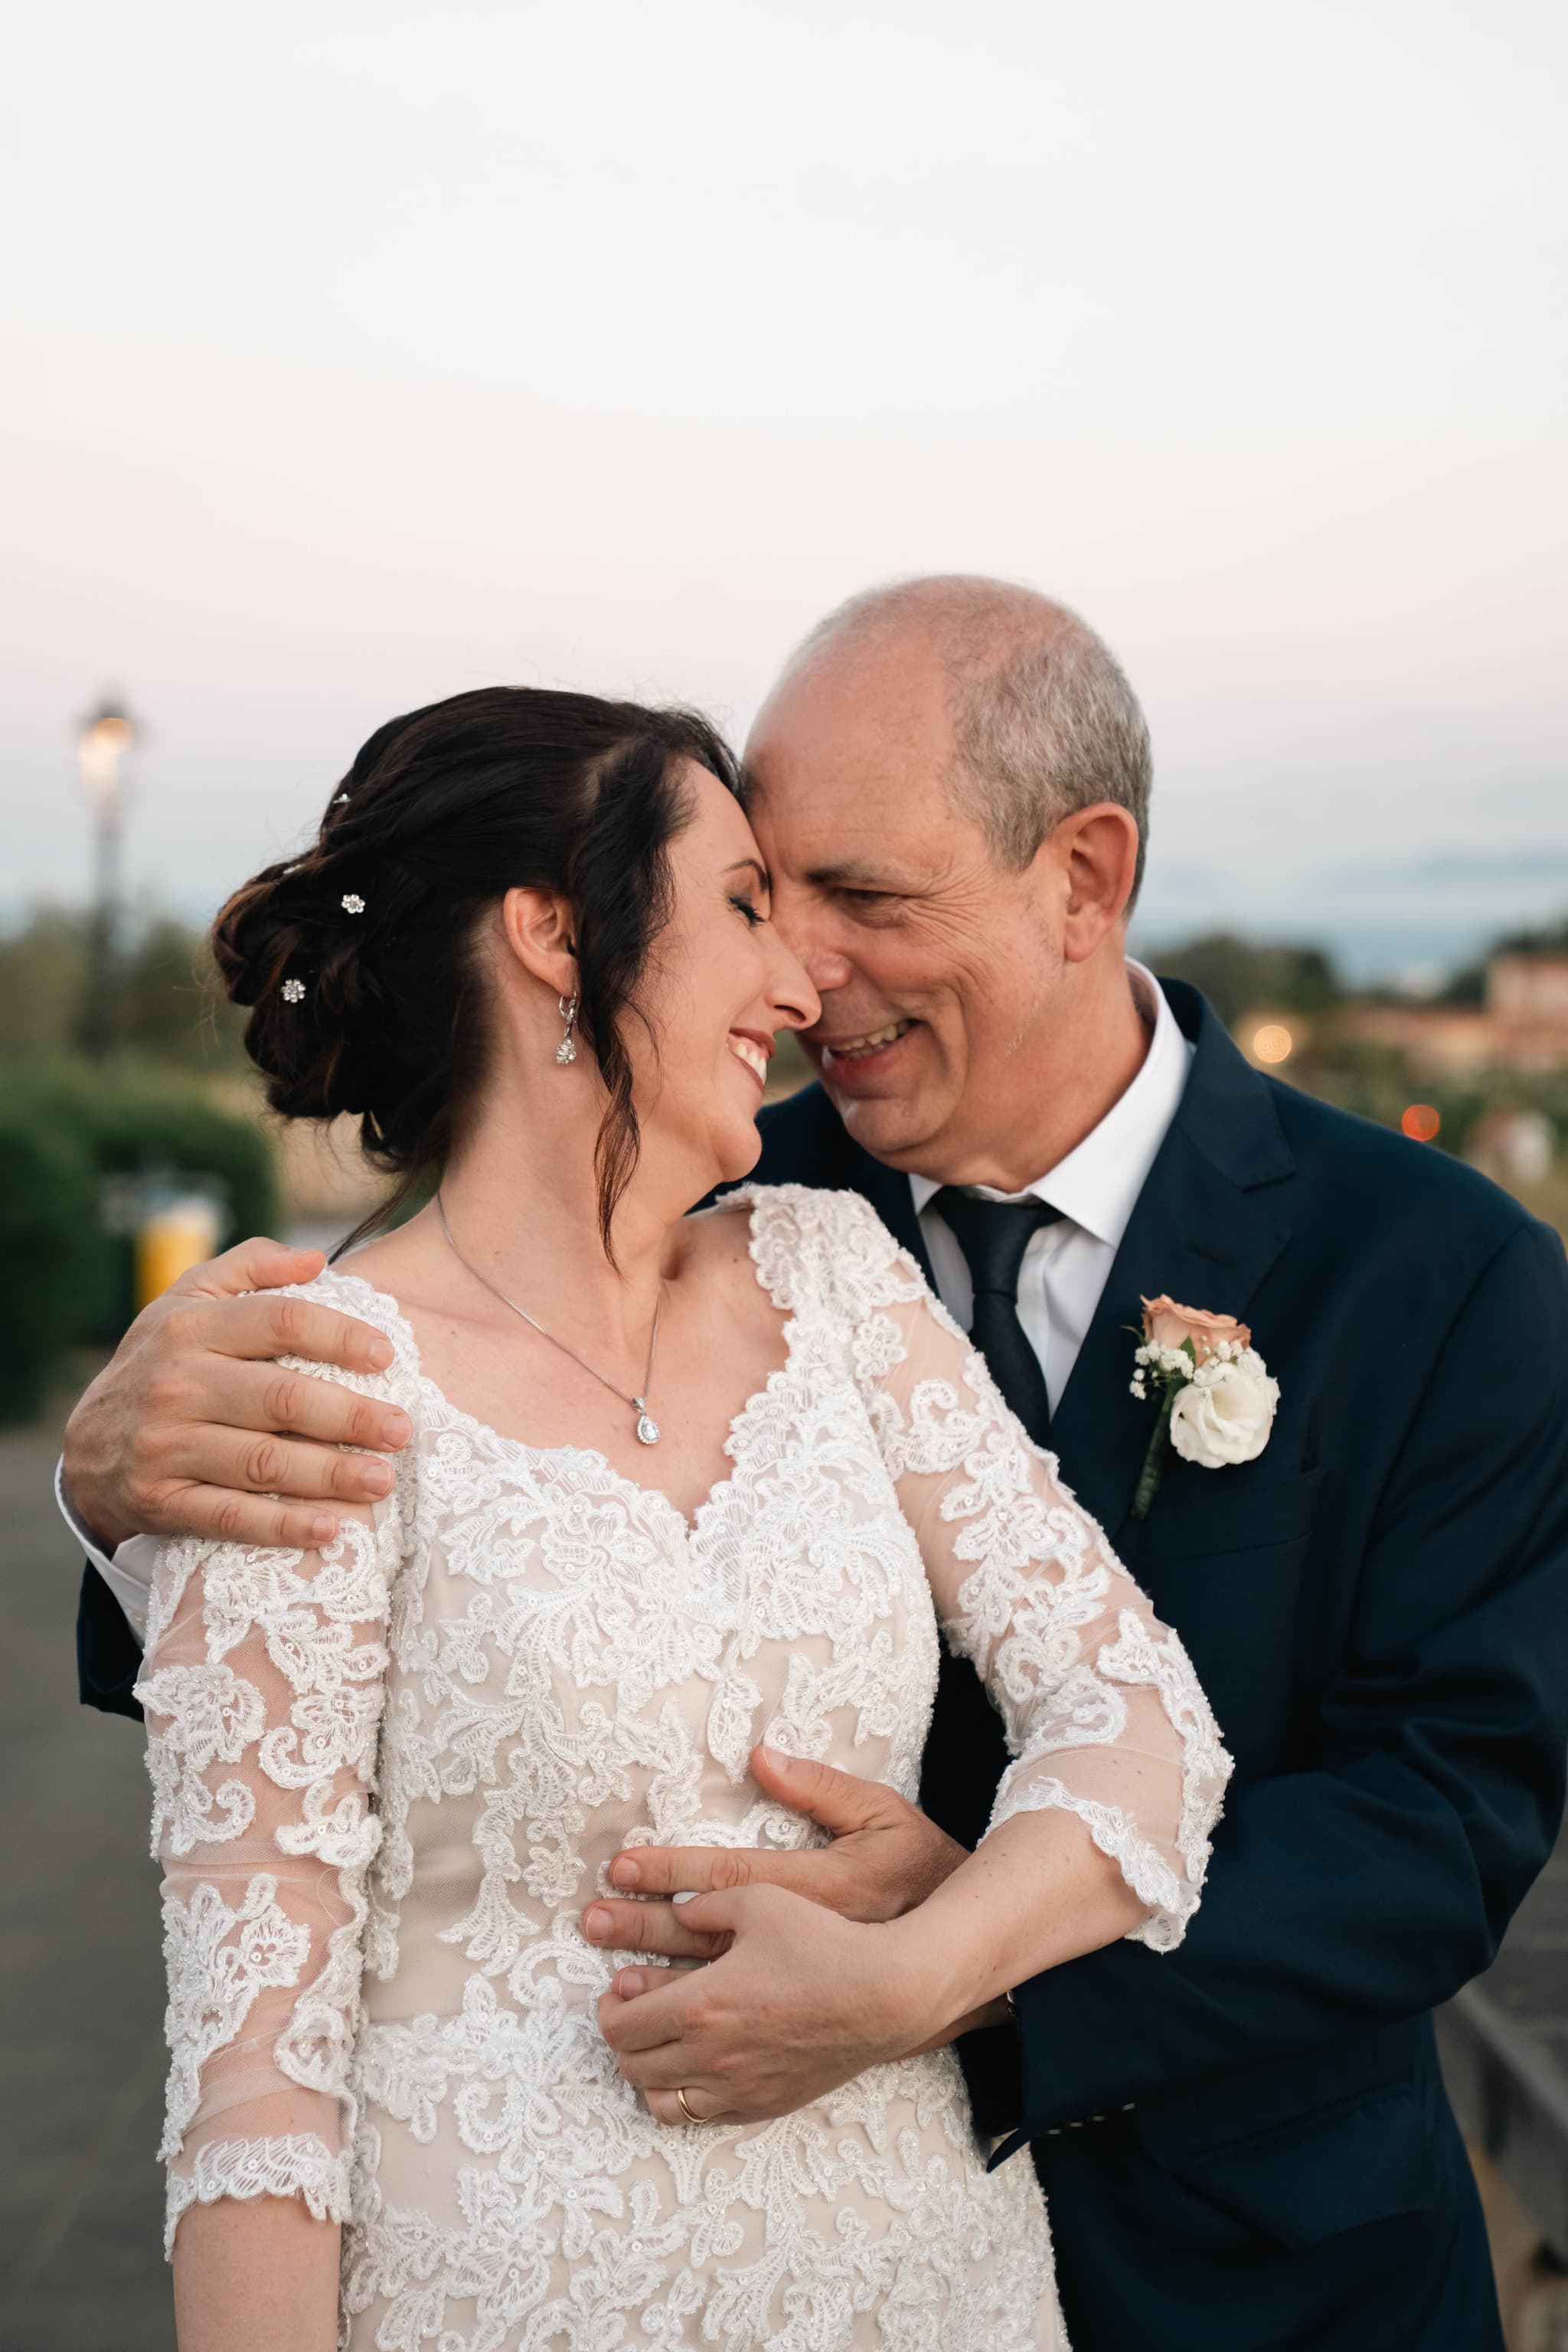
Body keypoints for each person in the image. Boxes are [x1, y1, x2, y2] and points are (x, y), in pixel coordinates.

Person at [63, 580, 1568, 2351]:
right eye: (763, 895)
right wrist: (114, 1497)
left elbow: (1442, 1816)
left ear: (1082, 880)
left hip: (1263, 2267)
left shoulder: (1440, 1270)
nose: (803, 976)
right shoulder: (715, 1182)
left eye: (862, 897)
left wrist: (953, 1972)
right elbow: (317, 1670)